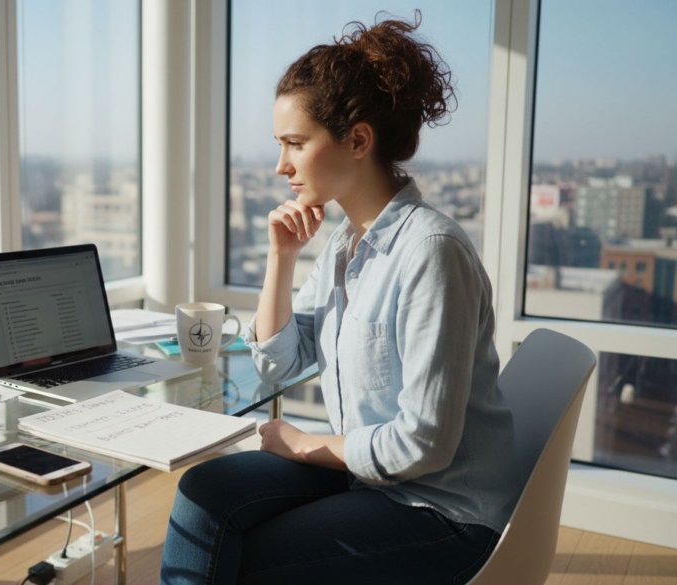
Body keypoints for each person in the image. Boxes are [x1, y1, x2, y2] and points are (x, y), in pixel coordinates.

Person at [160, 13, 519, 585]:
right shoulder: (344, 245)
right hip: (369, 477)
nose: (281, 166)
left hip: (441, 510)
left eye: (295, 144)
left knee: (244, 557)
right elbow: (279, 365)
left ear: (357, 140)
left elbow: (424, 444)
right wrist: (281, 258)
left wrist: (306, 446)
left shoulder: (431, 252)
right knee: (204, 493)